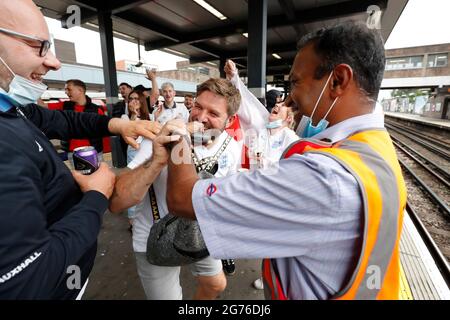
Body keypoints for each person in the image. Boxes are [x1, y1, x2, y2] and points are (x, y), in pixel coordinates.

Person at [153, 22, 407, 300]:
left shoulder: (323, 177)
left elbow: (181, 198)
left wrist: (179, 137)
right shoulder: (375, 148)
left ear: (337, 80)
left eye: (296, 81)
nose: (291, 96)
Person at [0, 0, 161, 299]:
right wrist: (96, 197)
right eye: (40, 46)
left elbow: (61, 120)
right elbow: (28, 280)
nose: (54, 63)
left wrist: (119, 125)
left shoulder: (12, 108)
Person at [109, 78, 242, 300]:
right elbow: (116, 201)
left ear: (230, 120)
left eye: (213, 113)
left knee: (215, 284)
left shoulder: (232, 147)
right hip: (153, 237)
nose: (200, 118)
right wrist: (158, 160)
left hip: (199, 235)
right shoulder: (165, 134)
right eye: (198, 106)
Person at [47, 79, 106, 161]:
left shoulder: (97, 110)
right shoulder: (64, 106)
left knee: (97, 173)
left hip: (92, 152)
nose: (66, 92)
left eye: (69, 89)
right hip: (71, 153)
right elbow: (42, 106)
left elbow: (103, 133)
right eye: (65, 90)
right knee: (76, 174)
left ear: (80, 90)